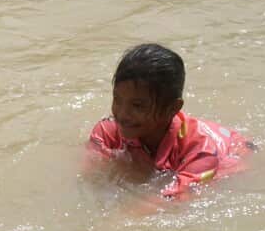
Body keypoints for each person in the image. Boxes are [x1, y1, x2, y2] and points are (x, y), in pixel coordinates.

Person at [89, 43, 254, 199]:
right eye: (117, 99)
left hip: (235, 151)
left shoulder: (200, 150)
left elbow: (173, 200)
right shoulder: (107, 132)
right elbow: (90, 176)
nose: (122, 114)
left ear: (172, 108)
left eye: (137, 105)